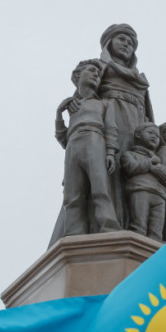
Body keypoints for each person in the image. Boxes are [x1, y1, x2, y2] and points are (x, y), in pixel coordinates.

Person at [49, 59, 120, 245]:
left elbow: (111, 129)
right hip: (73, 146)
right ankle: (74, 234)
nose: (96, 75)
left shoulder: (105, 104)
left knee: (100, 188)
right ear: (77, 77)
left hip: (95, 140)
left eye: (98, 74)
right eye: (91, 71)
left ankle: (108, 228)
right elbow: (63, 139)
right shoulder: (72, 107)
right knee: (72, 195)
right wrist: (59, 113)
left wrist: (110, 152)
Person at [96, 24, 153, 227]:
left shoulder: (140, 80)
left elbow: (149, 117)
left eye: (131, 43)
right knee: (109, 174)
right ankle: (108, 223)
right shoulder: (99, 68)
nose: (127, 45)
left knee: (133, 177)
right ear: (108, 42)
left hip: (136, 133)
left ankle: (134, 225)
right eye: (121, 39)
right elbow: (85, 95)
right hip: (109, 127)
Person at [121, 122, 166, 241]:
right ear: (138, 134)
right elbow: (131, 167)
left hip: (159, 196)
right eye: (150, 133)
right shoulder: (130, 155)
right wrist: (150, 165)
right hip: (140, 191)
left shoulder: (159, 162)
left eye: (157, 136)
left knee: (156, 234)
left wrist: (163, 174)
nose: (154, 137)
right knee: (139, 227)